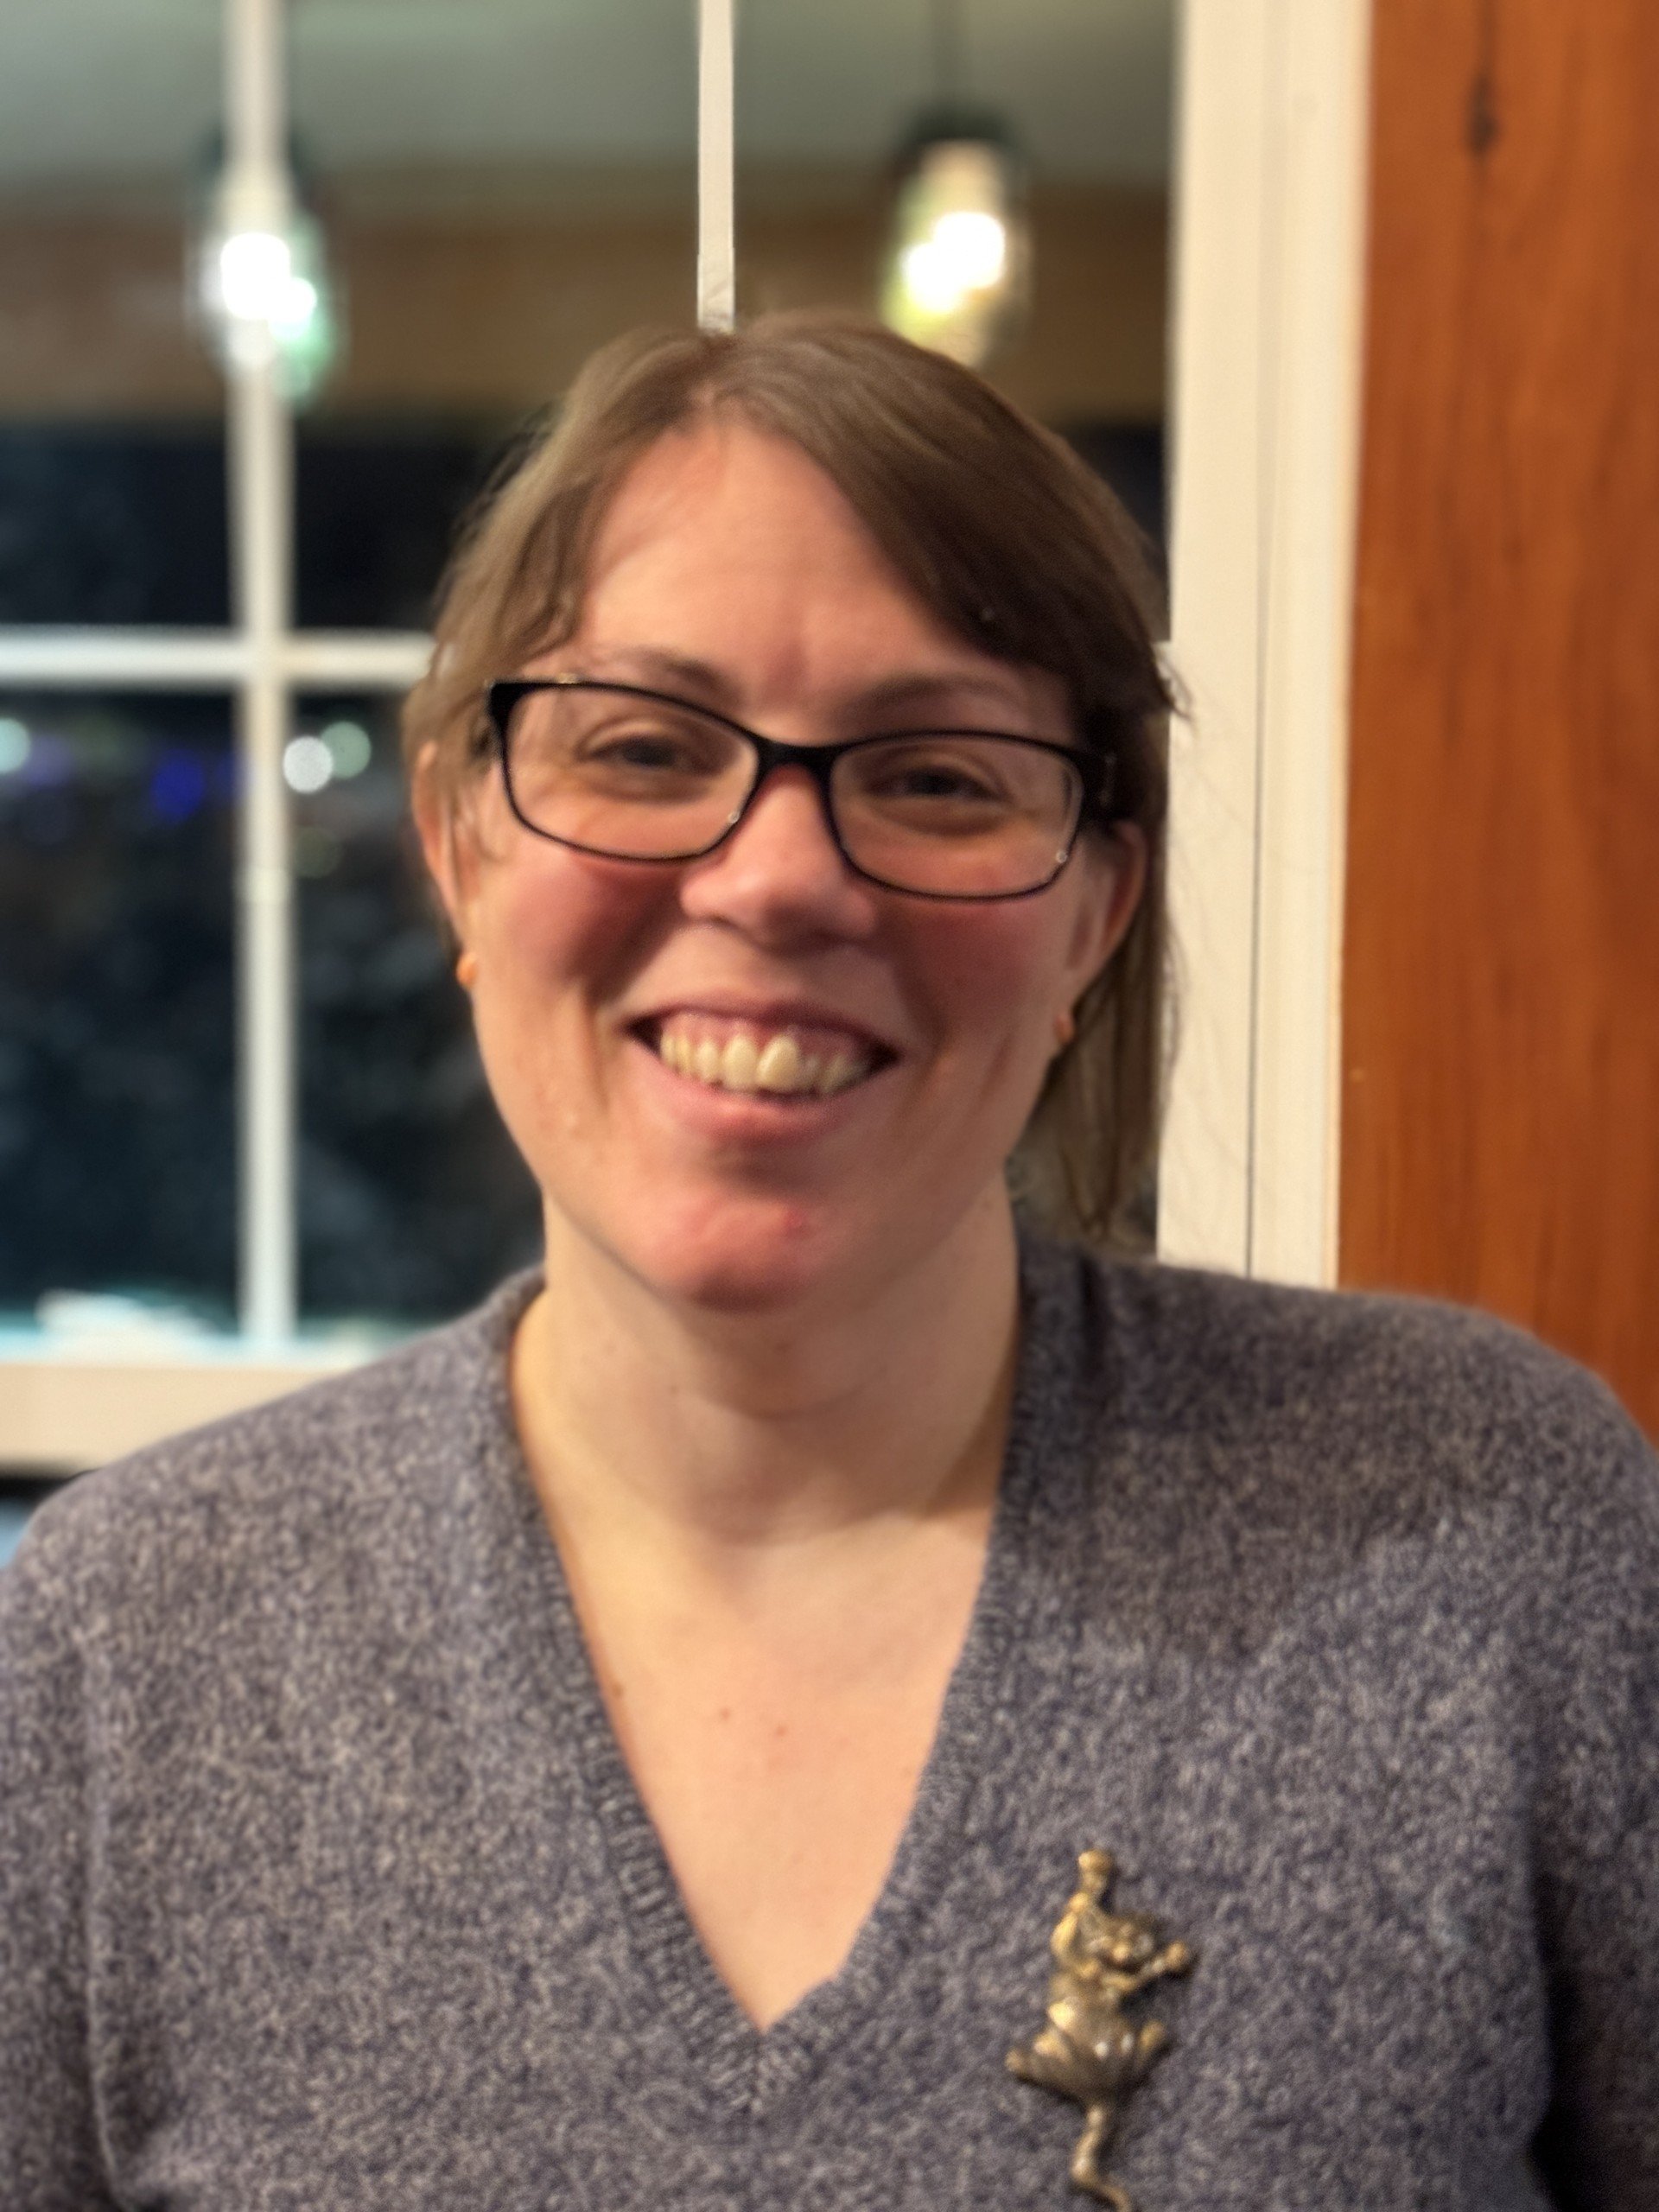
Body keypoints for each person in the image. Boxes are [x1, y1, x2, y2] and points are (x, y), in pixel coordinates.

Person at [2, 313, 1656, 2211]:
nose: (782, 878)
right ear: (460, 843)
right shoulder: (131, 1651)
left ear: (1094, 915)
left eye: (937, 774)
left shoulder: (1486, 1531)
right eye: (640, 745)